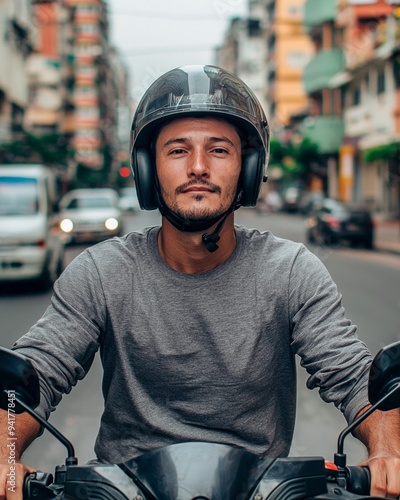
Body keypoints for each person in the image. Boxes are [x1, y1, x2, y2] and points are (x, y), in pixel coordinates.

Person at [1, 65, 400, 499]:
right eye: (177, 151)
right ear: (146, 169)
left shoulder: (291, 271)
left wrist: (387, 452)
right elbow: (35, 376)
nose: (197, 167)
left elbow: (354, 379)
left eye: (219, 150)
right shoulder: (101, 271)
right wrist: (4, 452)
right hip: (121, 491)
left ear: (248, 170)